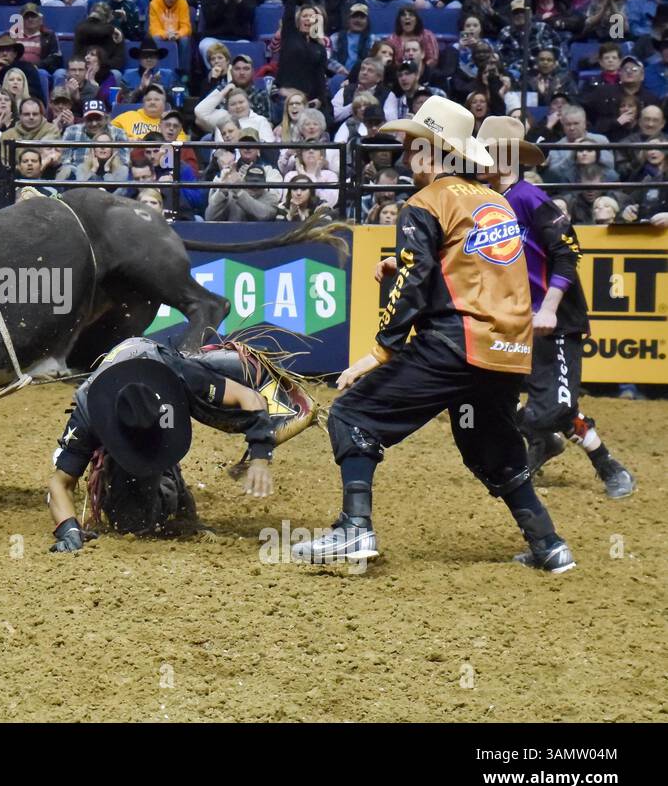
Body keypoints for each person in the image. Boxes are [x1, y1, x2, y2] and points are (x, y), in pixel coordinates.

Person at [298, 96, 575, 573]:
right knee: (490, 444)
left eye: (411, 147)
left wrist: (381, 351)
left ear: (431, 151)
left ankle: (355, 528)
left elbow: (413, 281)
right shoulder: (495, 202)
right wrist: (404, 265)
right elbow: (469, 268)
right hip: (506, 352)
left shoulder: (424, 203)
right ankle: (549, 544)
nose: (406, 158)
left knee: (352, 414)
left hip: (454, 344)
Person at [472, 116, 636, 500]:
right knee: (498, 399)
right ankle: (569, 449)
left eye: (485, 153)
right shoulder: (486, 202)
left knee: (552, 409)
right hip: (518, 319)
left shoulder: (531, 198)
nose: (478, 161)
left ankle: (601, 461)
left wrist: (548, 309)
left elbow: (566, 254)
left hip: (556, 320)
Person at [44, 334, 317, 551]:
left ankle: (172, 482)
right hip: (124, 400)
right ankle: (156, 482)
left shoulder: (180, 374)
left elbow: (250, 398)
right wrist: (68, 529)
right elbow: (60, 482)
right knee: (130, 523)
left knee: (151, 514)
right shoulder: (88, 409)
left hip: (157, 367)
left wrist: (260, 457)